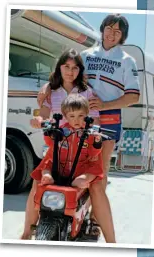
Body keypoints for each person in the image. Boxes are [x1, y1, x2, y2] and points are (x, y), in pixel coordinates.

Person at [37, 13, 140, 232]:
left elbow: (134, 97)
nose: (112, 34)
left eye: (118, 31)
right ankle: (69, 216)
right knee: (71, 168)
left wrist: (104, 105)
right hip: (77, 120)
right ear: (102, 29)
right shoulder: (86, 54)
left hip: (108, 121)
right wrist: (48, 86)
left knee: (98, 174)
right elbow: (67, 74)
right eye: (109, 28)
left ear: (123, 36)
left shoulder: (127, 60)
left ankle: (94, 220)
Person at [21, 48, 116, 243]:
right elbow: (44, 114)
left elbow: (95, 121)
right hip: (59, 149)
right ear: (60, 68)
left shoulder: (87, 92)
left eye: (75, 68)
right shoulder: (51, 90)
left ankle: (112, 242)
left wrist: (91, 132)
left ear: (80, 70)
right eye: (66, 66)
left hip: (81, 149)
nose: (70, 71)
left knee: (97, 187)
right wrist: (38, 120)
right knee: (37, 182)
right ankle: (26, 232)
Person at [31, 94, 103, 190]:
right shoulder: (61, 130)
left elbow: (93, 153)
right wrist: (47, 132)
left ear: (86, 114)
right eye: (72, 116)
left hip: (80, 168)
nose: (76, 120)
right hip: (60, 166)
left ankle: (81, 179)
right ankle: (48, 176)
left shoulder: (89, 132)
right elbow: (51, 144)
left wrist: (97, 141)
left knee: (94, 168)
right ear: (65, 116)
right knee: (46, 163)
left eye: (80, 115)